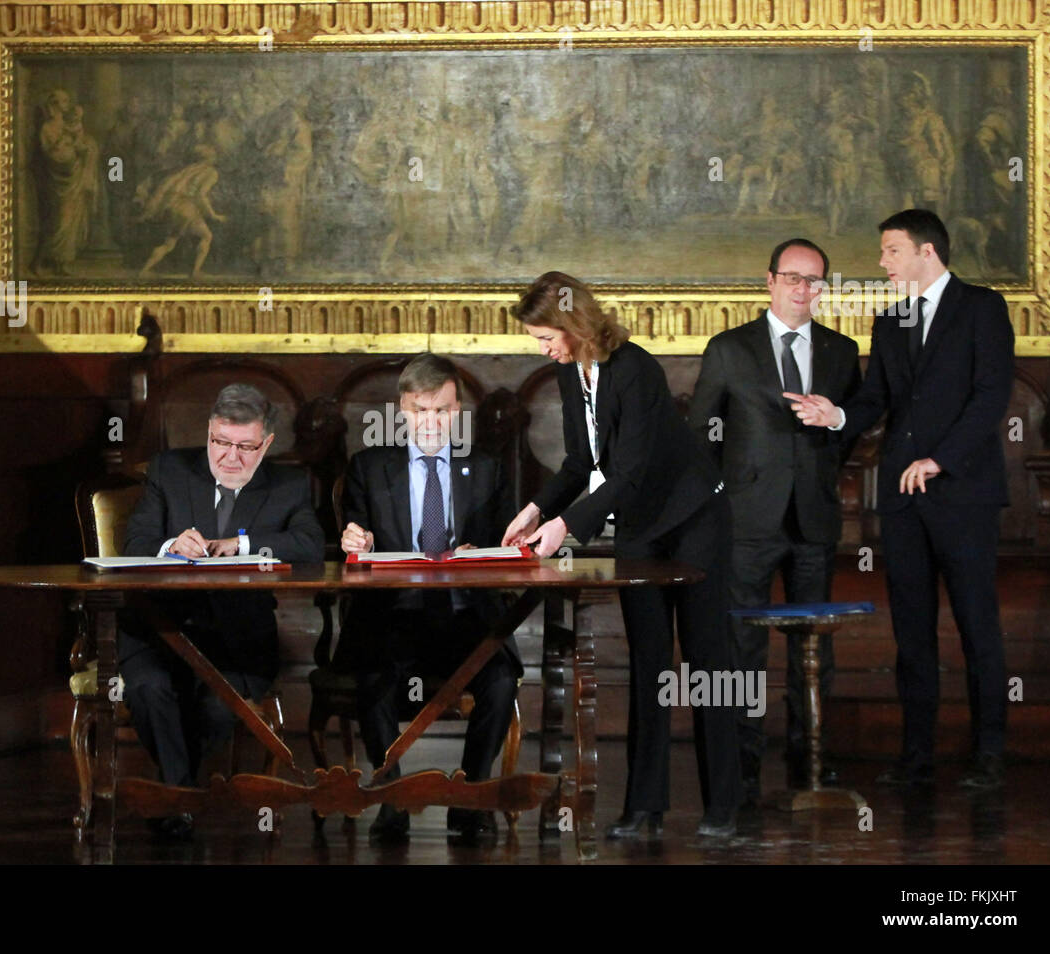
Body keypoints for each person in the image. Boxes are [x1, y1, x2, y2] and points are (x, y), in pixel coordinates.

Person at [503, 272, 742, 837]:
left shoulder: (635, 368)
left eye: (546, 337)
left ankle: (724, 807)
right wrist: (537, 509)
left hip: (694, 518)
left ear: (574, 322)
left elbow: (630, 470)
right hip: (641, 525)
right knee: (649, 664)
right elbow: (581, 464)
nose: (543, 349)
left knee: (709, 663)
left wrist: (567, 525)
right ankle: (644, 809)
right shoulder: (569, 373)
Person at [784, 209, 1014, 790]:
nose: (882, 263)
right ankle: (917, 759)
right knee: (911, 632)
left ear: (926, 252)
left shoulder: (983, 308)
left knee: (976, 626)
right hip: (904, 501)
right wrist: (834, 414)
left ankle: (989, 756)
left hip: (963, 494)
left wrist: (939, 460)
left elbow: (990, 396)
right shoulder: (891, 322)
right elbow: (874, 401)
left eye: (891, 251)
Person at [688, 238, 862, 805]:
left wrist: (834, 423)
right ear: (769, 281)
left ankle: (810, 758)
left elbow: (856, 427)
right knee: (743, 645)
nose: (801, 288)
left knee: (815, 647)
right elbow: (701, 434)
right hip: (746, 520)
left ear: (823, 288)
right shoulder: (729, 348)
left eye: (813, 280)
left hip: (814, 516)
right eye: (792, 276)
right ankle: (741, 764)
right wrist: (721, 497)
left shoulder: (842, 350)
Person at [118, 384, 324, 839]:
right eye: (220, 443)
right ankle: (181, 797)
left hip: (237, 639)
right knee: (152, 691)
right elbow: (135, 545)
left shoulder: (288, 485)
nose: (230, 458)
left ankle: (175, 797)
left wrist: (243, 544)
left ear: (266, 443)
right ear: (208, 434)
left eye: (245, 447)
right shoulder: (169, 469)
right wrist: (170, 546)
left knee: (216, 706)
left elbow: (311, 548)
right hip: (160, 630)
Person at [336, 354, 519, 843]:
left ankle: (468, 798)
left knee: (500, 680)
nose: (432, 421)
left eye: (442, 411)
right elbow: (350, 534)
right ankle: (390, 797)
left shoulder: (487, 469)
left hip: (466, 615)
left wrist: (486, 553)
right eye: (421, 411)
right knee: (373, 673)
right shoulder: (370, 468)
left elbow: (511, 545)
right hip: (396, 615)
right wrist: (356, 540)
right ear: (402, 411)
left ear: (458, 411)